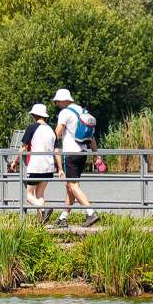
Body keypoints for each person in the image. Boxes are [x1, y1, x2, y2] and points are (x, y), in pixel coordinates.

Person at [51, 88, 104, 228]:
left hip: (71, 154)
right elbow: (91, 137)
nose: (57, 104)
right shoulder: (83, 111)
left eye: (57, 101)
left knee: (73, 185)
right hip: (83, 153)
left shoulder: (65, 113)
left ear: (64, 100)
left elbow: (57, 133)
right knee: (70, 186)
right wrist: (96, 155)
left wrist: (47, 144)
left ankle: (91, 213)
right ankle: (63, 218)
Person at [10, 103, 61, 225]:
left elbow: (23, 148)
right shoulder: (51, 130)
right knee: (39, 194)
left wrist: (15, 161)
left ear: (34, 115)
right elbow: (56, 151)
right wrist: (60, 168)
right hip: (49, 167)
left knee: (27, 195)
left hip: (35, 166)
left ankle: (44, 209)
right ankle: (42, 223)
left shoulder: (32, 128)